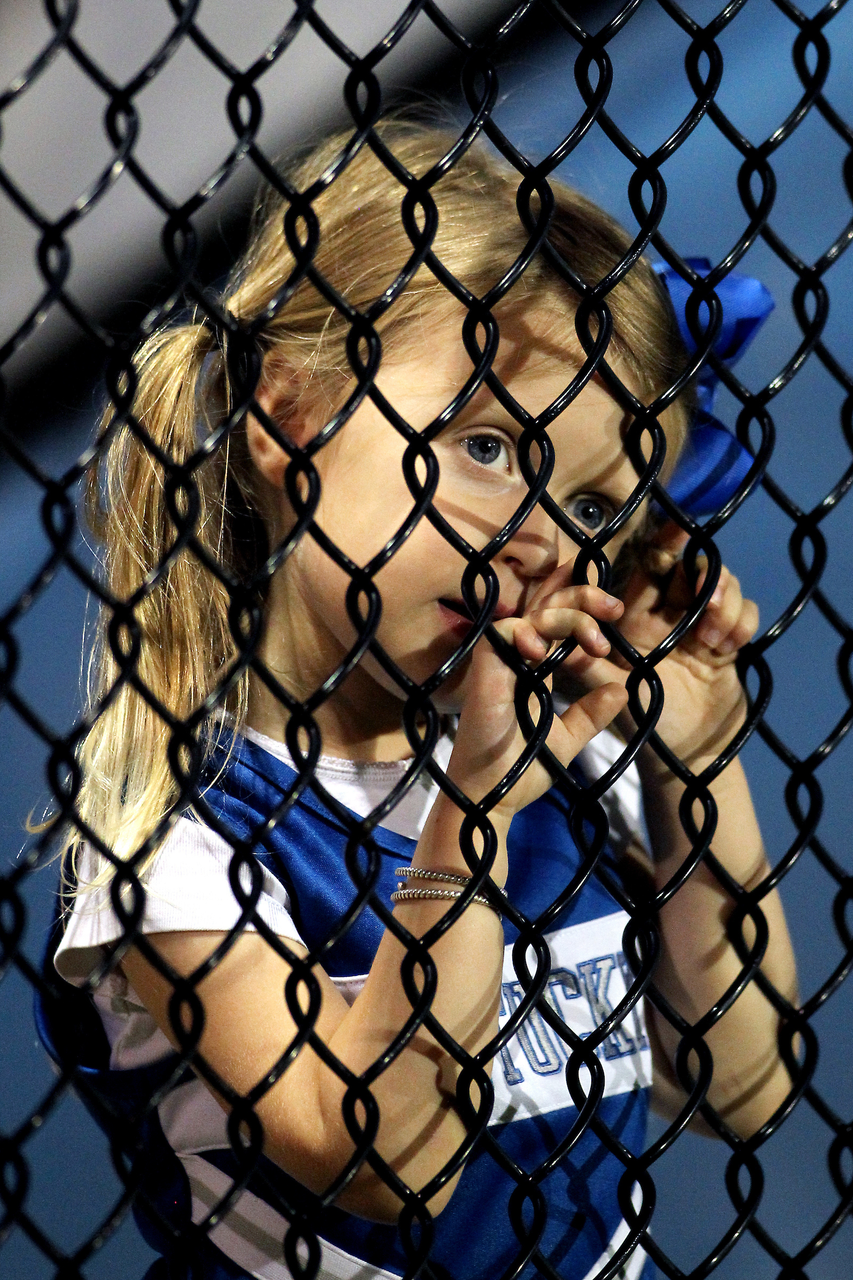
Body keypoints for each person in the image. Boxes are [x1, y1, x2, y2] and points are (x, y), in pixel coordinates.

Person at [40, 121, 798, 1280]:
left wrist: (696, 769)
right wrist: (474, 808)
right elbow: (386, 1160)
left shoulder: (578, 771)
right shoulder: (179, 845)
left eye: (595, 508)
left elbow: (741, 1083)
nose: (543, 540)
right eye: (488, 444)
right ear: (293, 421)